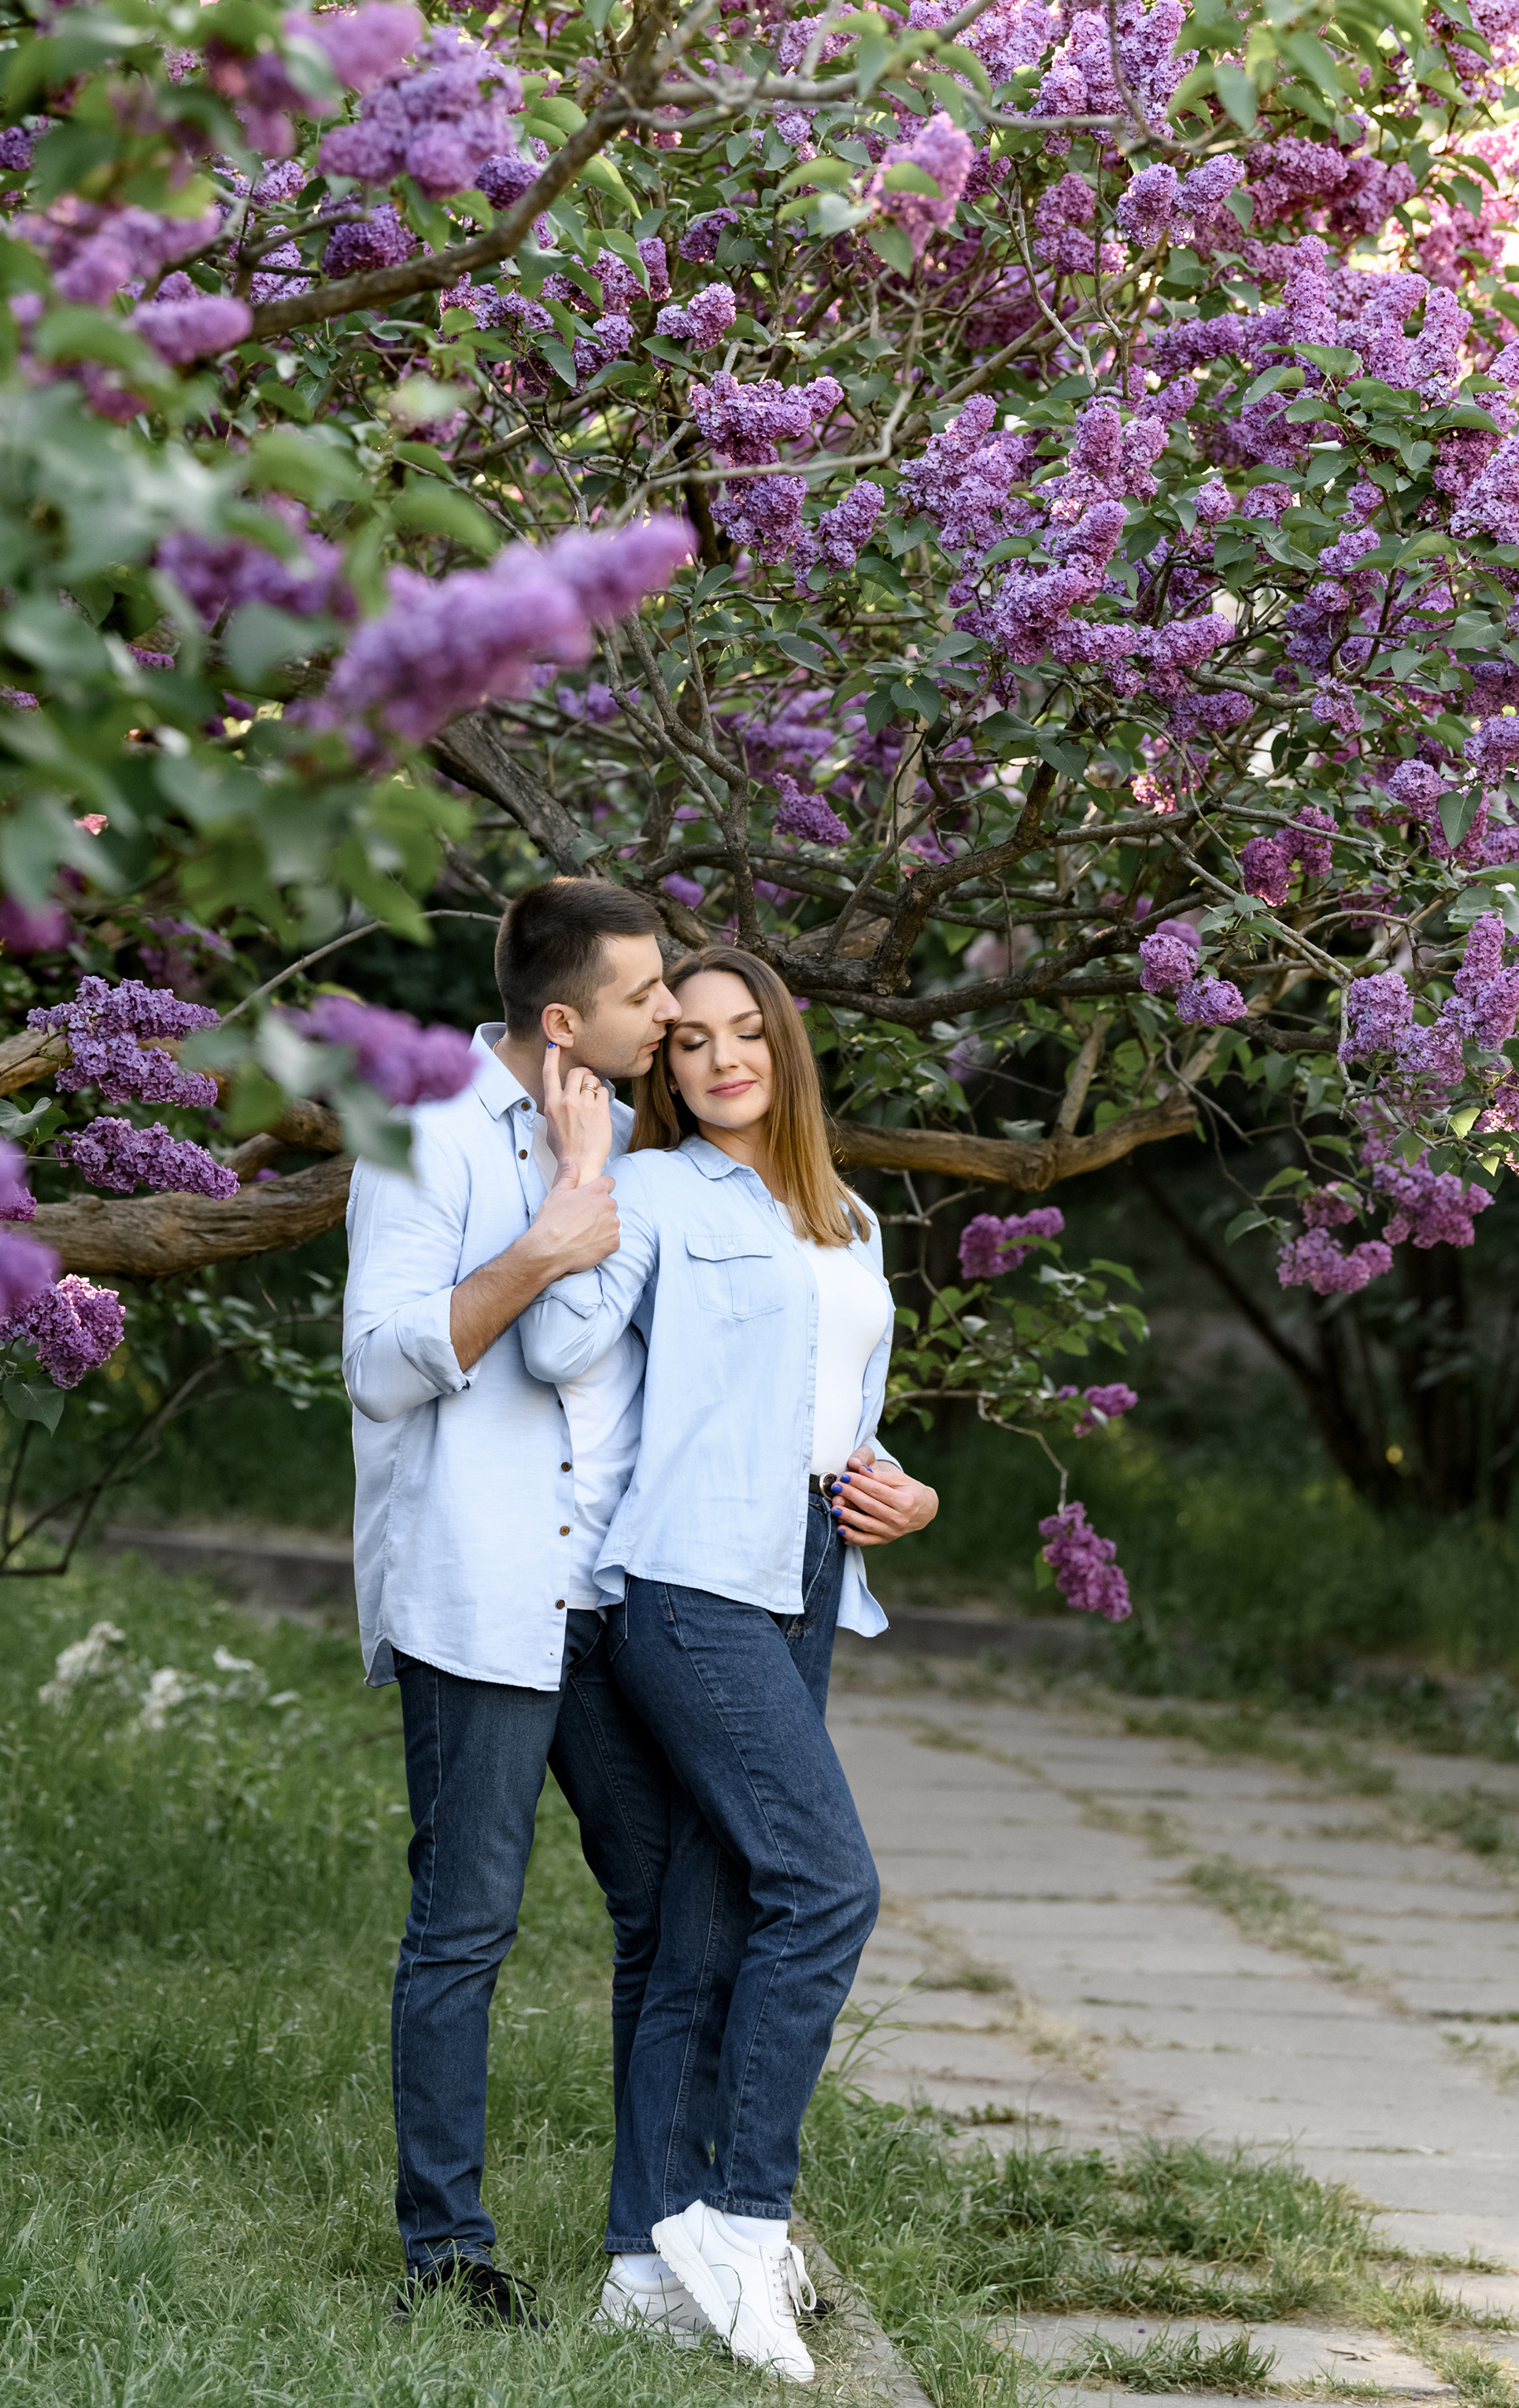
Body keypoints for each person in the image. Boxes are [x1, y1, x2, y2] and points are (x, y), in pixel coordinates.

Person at [520, 944, 939, 2384]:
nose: (718, 1060)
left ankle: (644, 2263)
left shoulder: (852, 1219)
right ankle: (745, 2223)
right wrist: (577, 1184)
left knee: (702, 1930)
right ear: (666, 1066)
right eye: (687, 1040)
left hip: (809, 1578)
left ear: (787, 1047)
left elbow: (840, 1417)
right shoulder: (648, 1193)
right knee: (826, 1887)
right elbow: (554, 1341)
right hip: (690, 1582)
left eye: (744, 1033)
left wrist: (910, 1496)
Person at [342, 876, 691, 2325]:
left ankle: (662, 2233)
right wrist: (547, 1238)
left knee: (670, 1910)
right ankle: (447, 2257)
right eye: (644, 995)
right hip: (484, 1596)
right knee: (467, 1926)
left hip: (610, 1594)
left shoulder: (628, 1132)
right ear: (565, 1021)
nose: (669, 1014)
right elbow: (378, 1362)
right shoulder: (422, 1139)